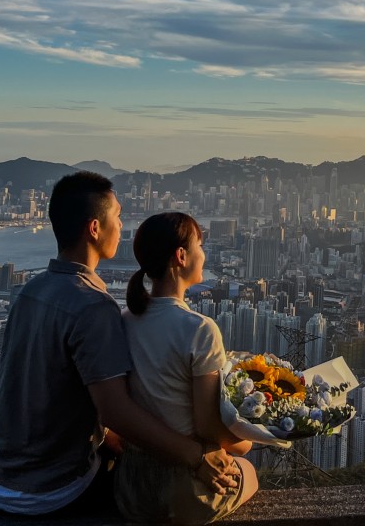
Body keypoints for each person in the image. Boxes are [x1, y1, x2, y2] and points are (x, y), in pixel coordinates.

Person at [0, 172, 238, 516]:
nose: (121, 225)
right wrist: (198, 457)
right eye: (117, 216)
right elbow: (115, 412)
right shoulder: (93, 306)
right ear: (95, 228)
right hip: (50, 491)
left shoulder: (30, 290)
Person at [114, 212, 258, 524]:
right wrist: (248, 441)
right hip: (182, 488)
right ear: (181, 256)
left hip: (131, 488)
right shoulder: (199, 328)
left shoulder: (125, 320)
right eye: (201, 246)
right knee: (249, 472)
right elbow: (207, 427)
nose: (205, 255)